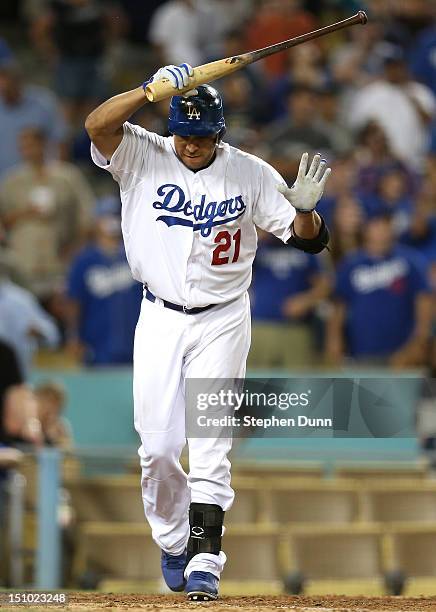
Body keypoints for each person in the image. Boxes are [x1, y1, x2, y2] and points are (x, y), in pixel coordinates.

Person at [85, 62, 331, 600]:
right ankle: (174, 541)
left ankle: (205, 559)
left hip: (223, 317)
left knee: (211, 445)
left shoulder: (251, 172)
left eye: (202, 136)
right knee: (158, 447)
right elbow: (97, 126)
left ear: (219, 133)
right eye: (185, 133)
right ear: (170, 126)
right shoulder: (143, 150)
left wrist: (309, 214)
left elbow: (309, 240)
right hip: (159, 315)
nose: (192, 145)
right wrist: (148, 91)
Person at [326, 212, 433, 368]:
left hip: (402, 354)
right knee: (361, 392)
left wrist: (418, 343)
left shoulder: (410, 261)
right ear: (366, 229)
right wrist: (334, 339)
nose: (381, 230)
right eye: (376, 225)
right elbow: (339, 306)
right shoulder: (351, 264)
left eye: (386, 225)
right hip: (360, 352)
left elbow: (424, 304)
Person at [0, 126, 94, 300]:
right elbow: (3, 222)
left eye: (32, 145)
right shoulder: (11, 181)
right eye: (24, 146)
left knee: (64, 312)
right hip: (24, 264)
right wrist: (25, 212)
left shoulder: (68, 176)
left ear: (43, 145)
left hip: (60, 263)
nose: (28, 151)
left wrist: (76, 249)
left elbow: (86, 216)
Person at [65, 196, 142, 366]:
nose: (111, 221)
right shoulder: (84, 260)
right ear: (96, 222)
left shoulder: (135, 254)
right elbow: (74, 301)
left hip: (136, 341)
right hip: (97, 344)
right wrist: (74, 336)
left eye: (115, 215)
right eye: (106, 216)